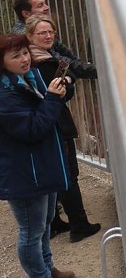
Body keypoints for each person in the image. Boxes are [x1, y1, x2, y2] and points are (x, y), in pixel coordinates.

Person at [0, 34, 76, 278]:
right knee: (31, 231)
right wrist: (53, 98)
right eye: (16, 56)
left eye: (25, 52)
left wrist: (60, 91)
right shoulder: (5, 96)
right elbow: (32, 129)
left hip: (41, 165)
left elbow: (46, 111)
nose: (24, 59)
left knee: (44, 224)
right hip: (24, 173)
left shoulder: (28, 78)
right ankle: (40, 275)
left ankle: (48, 269)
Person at [25, 15, 101, 243]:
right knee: (69, 174)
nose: (48, 36)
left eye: (51, 32)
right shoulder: (42, 62)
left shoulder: (35, 57)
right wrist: (68, 81)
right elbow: (63, 92)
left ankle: (56, 223)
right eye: (42, 33)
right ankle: (80, 225)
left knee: (57, 173)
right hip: (55, 123)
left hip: (50, 122)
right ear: (30, 36)